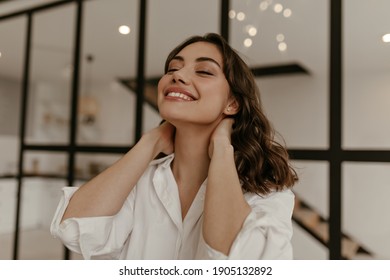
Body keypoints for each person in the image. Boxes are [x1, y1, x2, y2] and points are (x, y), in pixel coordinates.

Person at [50, 33, 298, 260]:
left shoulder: (268, 193)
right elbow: (73, 229)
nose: (177, 76)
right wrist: (151, 141)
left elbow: (236, 261)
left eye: (203, 71)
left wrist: (223, 147)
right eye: (172, 68)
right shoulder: (140, 182)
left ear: (232, 103)